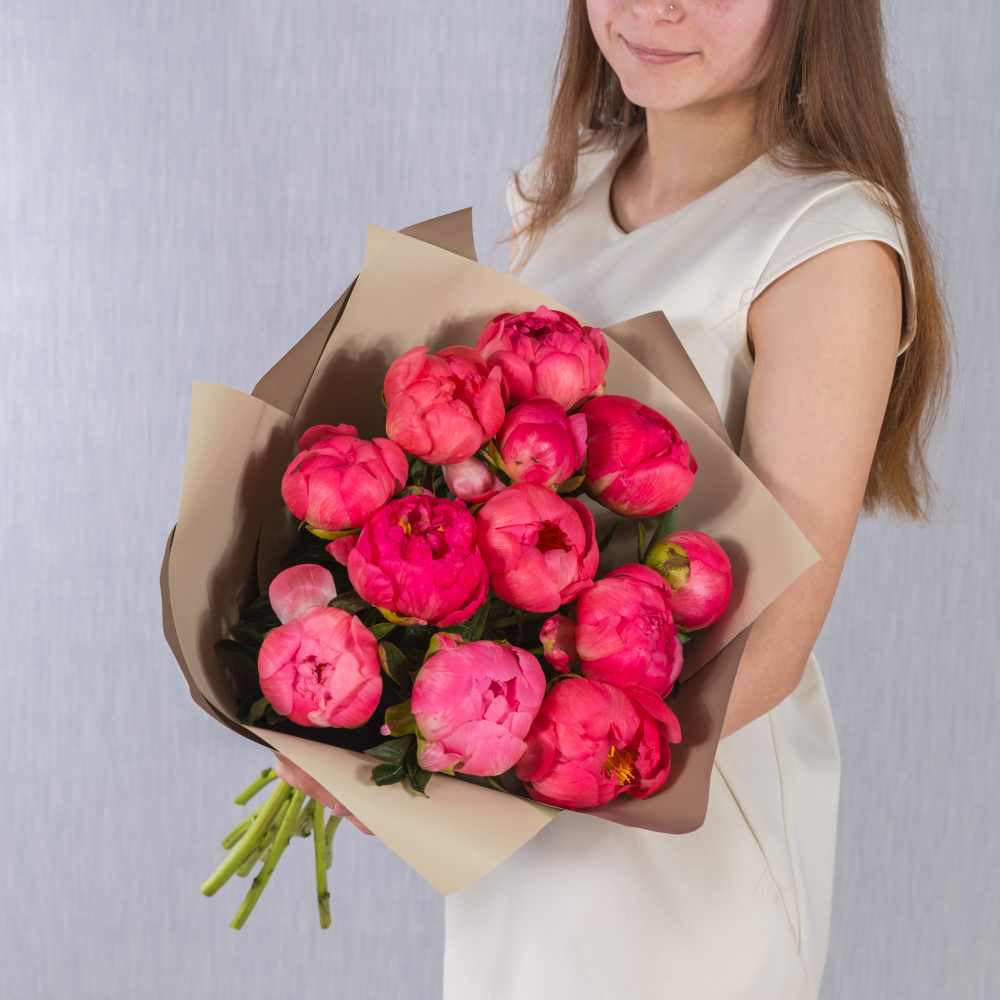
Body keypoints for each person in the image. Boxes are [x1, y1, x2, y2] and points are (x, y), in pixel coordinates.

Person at [280, 1, 951, 996]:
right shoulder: (559, 191)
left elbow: (773, 638)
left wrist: (490, 741)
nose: (655, 7)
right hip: (524, 823)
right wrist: (381, 720)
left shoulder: (826, 243)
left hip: (672, 812)